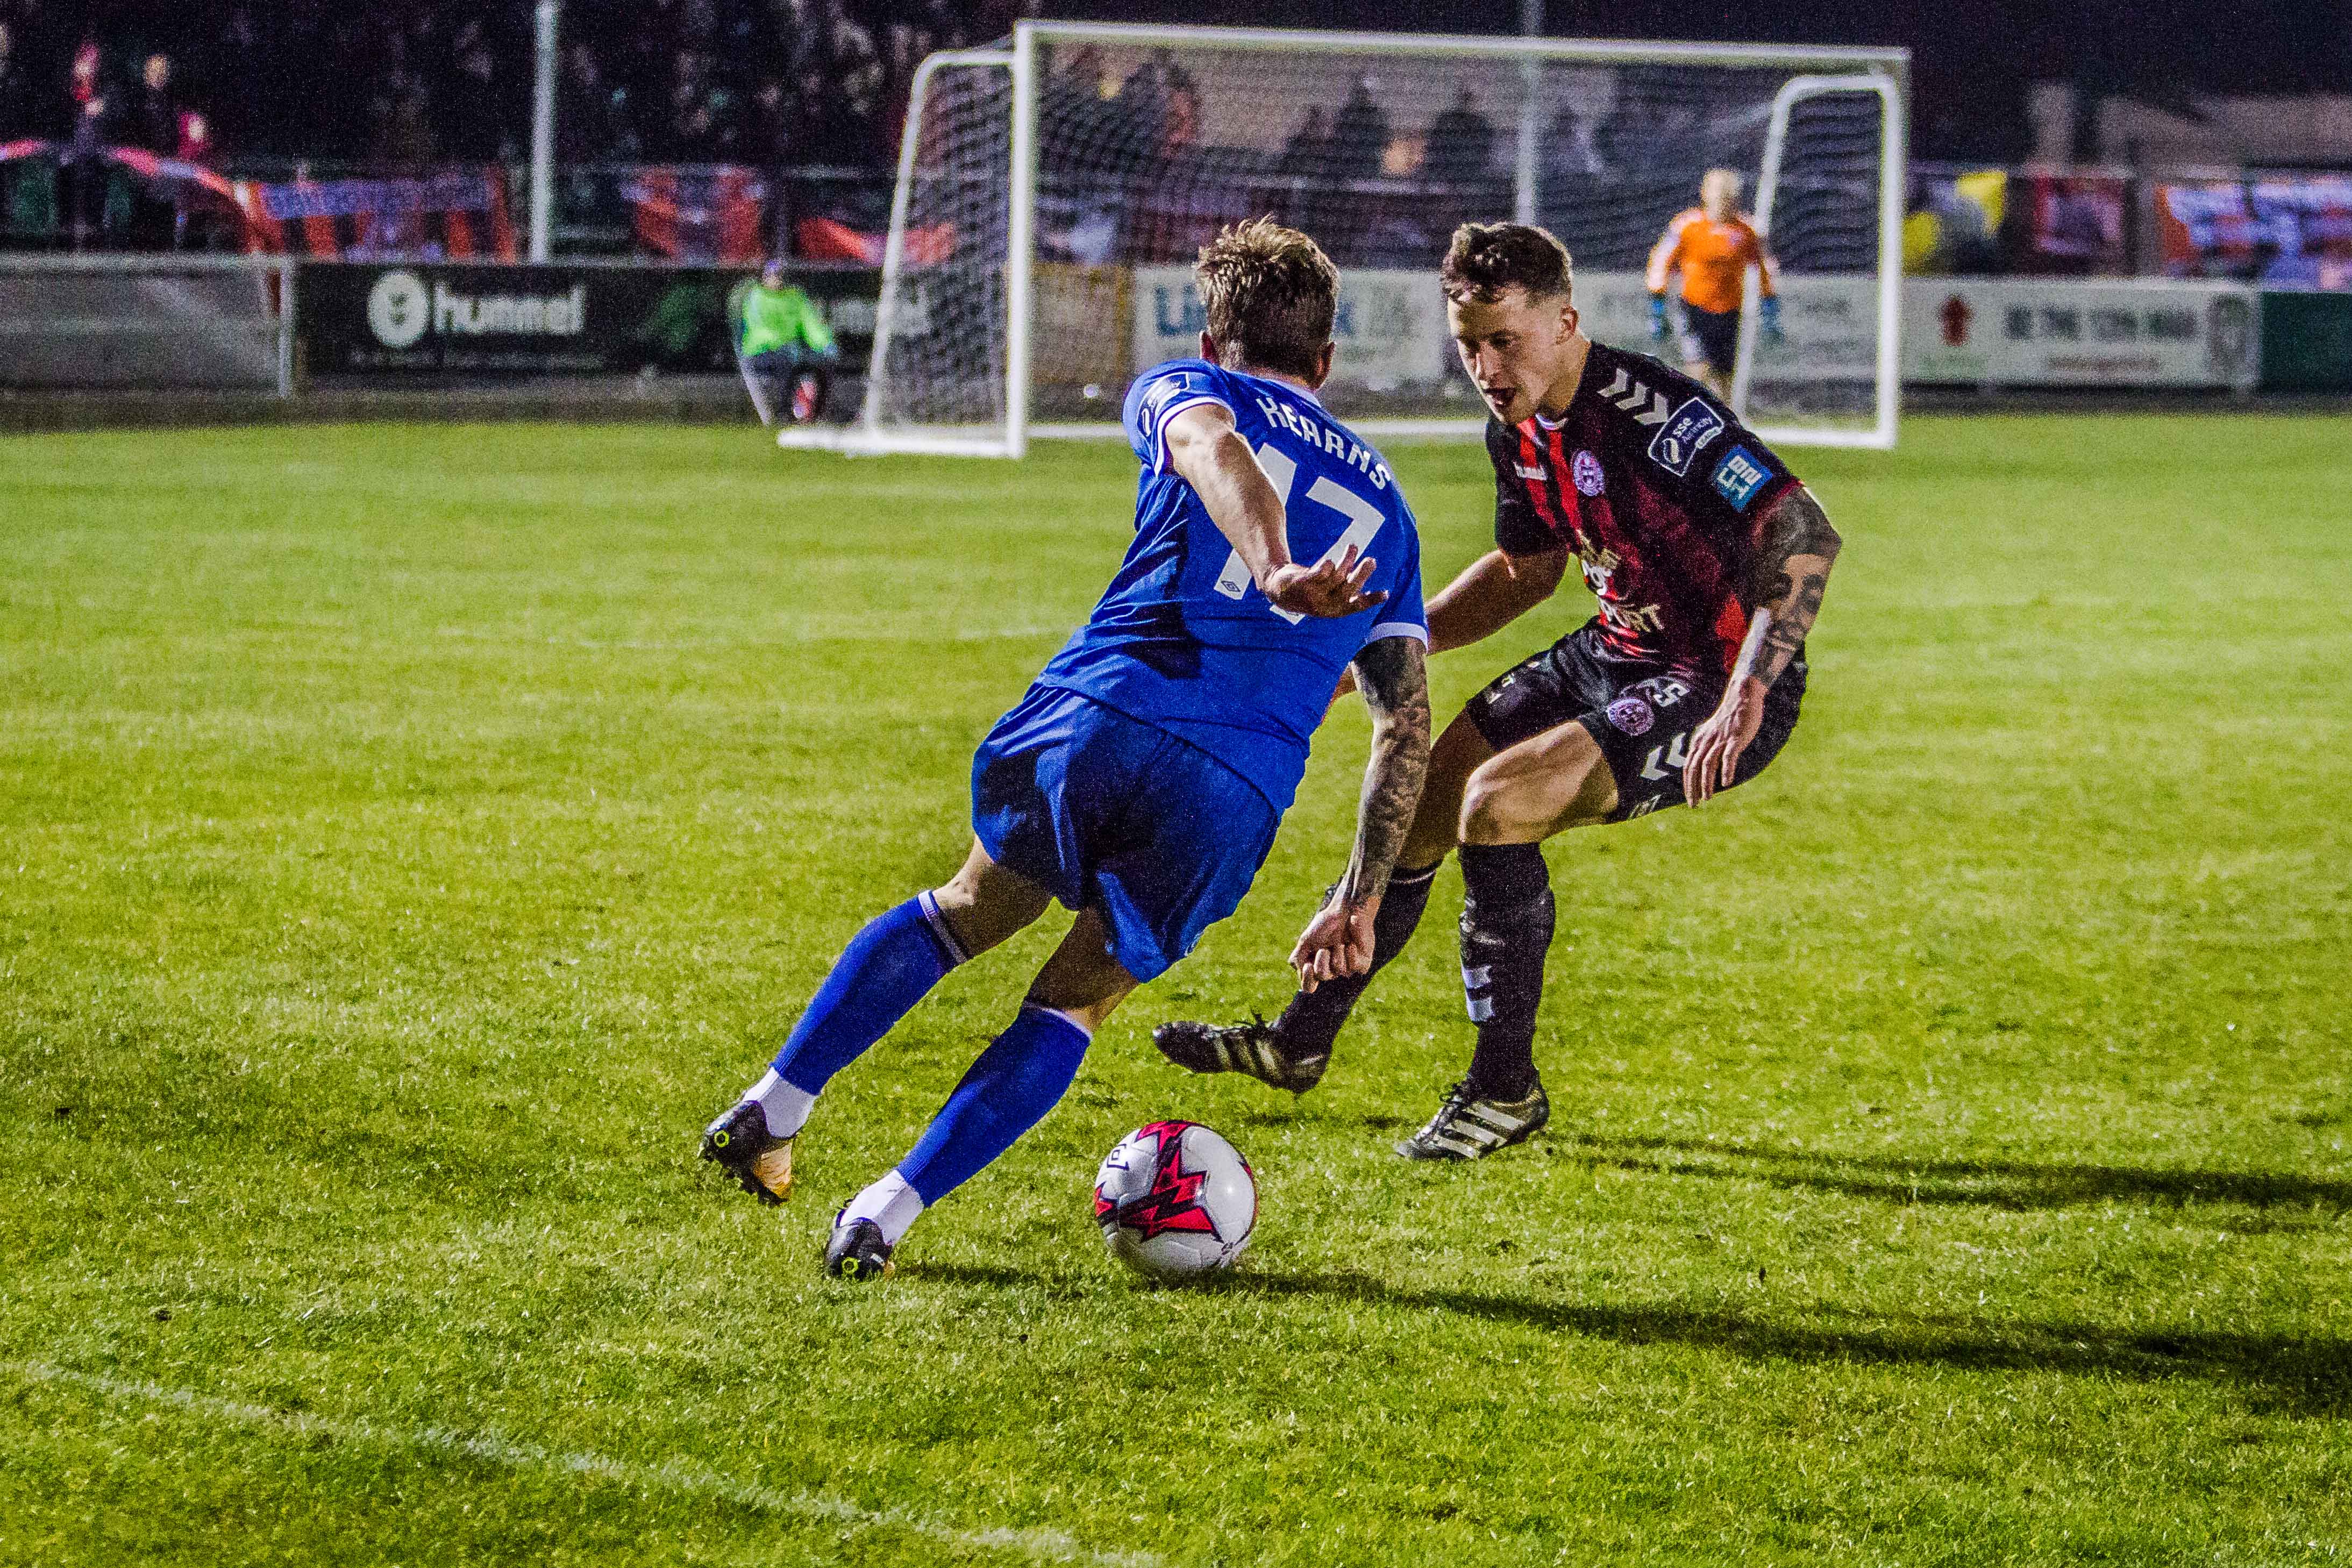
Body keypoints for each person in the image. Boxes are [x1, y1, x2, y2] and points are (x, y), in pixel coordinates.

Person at [697, 219, 1433, 1278]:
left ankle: (775, 1110)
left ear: (1215, 338)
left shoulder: (1186, 384)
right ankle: (884, 1217)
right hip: (1231, 785)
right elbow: (1402, 724)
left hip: (1097, 716)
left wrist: (1269, 560)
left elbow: (1208, 443)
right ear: (1326, 361)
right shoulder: (1393, 518)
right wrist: (1361, 896)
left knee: (965, 911)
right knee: (1076, 998)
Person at [1154, 222, 1840, 1161]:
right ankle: (1298, 1041)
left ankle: (1502, 1090)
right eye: (1468, 343)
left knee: (1498, 804)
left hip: (1717, 679)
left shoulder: (1651, 414)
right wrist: (1389, 644)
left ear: (1563, 321)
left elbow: (1802, 528)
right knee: (1430, 798)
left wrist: (1750, 684)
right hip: (1617, 648)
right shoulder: (1514, 427)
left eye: (1502, 340)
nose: (1482, 363)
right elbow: (1525, 572)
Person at [1645, 168, 1781, 400]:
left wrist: (1770, 305)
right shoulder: (1687, 225)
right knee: (1698, 372)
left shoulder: (1747, 230)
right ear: (1705, 195)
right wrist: (1657, 302)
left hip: (1729, 312)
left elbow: (1763, 267)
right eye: (1719, 196)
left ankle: (1725, 428)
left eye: (1729, 197)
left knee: (1724, 379)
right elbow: (1661, 261)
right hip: (1693, 309)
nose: (1723, 203)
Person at [730, 260, 841, 425]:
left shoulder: (795, 297)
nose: (776, 279)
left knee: (823, 366)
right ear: (765, 277)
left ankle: (815, 415)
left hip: (790, 351)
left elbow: (810, 324)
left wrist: (825, 344)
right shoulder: (756, 297)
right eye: (772, 276)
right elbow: (759, 328)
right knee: (787, 365)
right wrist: (782, 346)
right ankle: (785, 414)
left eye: (779, 276)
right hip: (760, 351)